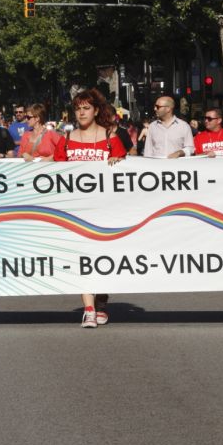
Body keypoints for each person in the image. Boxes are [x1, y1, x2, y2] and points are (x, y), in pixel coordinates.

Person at [54, 88, 127, 328]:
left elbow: (128, 171)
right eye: (78, 108)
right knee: (82, 258)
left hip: (106, 210)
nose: (81, 113)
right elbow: (56, 173)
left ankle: (101, 302)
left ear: (96, 111)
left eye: (86, 108)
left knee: (104, 259)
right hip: (76, 212)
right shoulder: (66, 139)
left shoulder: (110, 137)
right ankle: (89, 309)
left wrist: (118, 161)